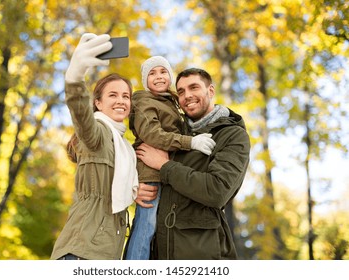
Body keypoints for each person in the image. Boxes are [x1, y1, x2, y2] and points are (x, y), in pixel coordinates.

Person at [135, 68, 251, 259]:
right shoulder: (172, 133)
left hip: (202, 252)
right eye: (180, 91)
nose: (187, 96)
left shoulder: (232, 135)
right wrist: (134, 188)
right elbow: (140, 154)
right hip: (159, 250)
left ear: (210, 91)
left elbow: (217, 191)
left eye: (194, 87)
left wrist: (165, 166)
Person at [50, 33, 138, 260]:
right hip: (81, 252)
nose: (121, 100)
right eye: (113, 95)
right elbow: (81, 113)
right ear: (98, 103)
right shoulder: (98, 133)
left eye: (126, 96)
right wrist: (75, 76)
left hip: (105, 254)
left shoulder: (124, 147)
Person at [124, 57, 216, 260]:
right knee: (146, 226)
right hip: (151, 174)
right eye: (152, 73)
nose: (159, 77)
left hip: (166, 172)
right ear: (144, 80)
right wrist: (190, 143)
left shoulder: (170, 102)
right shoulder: (144, 101)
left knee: (158, 229)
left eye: (163, 72)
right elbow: (152, 135)